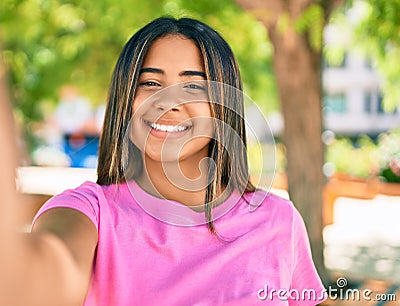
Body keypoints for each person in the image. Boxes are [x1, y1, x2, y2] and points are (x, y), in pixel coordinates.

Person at [0, 17, 326, 305]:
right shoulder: (90, 212)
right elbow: (43, 274)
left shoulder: (278, 220)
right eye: (151, 83)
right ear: (126, 99)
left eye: (193, 86)